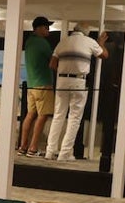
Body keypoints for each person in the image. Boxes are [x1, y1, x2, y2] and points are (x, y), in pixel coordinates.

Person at [44, 24, 108, 161]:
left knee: (58, 115)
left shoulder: (63, 42)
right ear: (86, 33)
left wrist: (64, 70)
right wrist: (101, 43)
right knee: (74, 118)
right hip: (79, 80)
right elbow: (104, 55)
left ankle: (50, 151)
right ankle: (64, 153)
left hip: (62, 80)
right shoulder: (90, 42)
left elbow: (52, 64)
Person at [16, 16, 56, 157]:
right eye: (46, 27)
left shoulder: (29, 42)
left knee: (30, 114)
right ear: (38, 28)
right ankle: (33, 148)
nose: (48, 30)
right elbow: (53, 61)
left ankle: (22, 146)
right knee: (43, 115)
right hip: (43, 84)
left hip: (32, 85)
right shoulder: (42, 43)